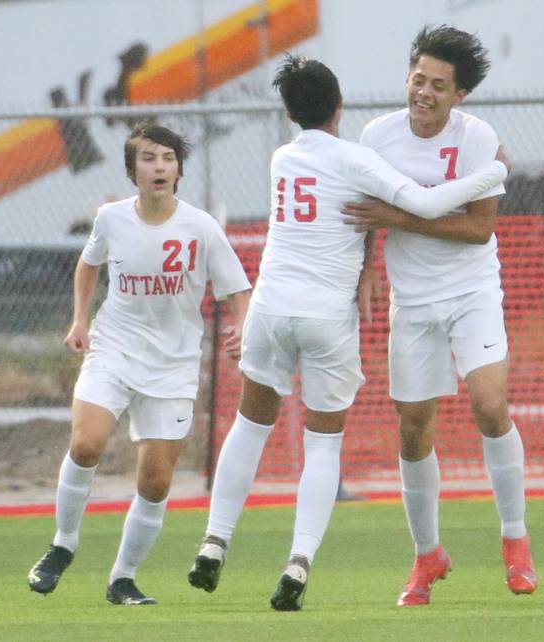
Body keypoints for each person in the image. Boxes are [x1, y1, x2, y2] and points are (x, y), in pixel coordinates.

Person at [187, 54, 510, 612]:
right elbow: (429, 204)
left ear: (289, 111)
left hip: (269, 307)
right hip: (324, 318)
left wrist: (366, 263)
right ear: (340, 105)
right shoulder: (358, 160)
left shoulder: (282, 158)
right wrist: (494, 174)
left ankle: (215, 541)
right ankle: (298, 560)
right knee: (322, 442)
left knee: (249, 423)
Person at [342, 25, 537, 606]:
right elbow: (360, 214)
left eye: (438, 85)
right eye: (417, 79)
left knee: (490, 406)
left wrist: (400, 219)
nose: (423, 92)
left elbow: (479, 230)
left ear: (460, 95)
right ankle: (427, 556)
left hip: (472, 292)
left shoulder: (478, 139)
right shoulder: (377, 136)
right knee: (411, 428)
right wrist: (366, 271)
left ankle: (515, 541)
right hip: (413, 302)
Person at [27, 122, 251, 605]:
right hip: (115, 348)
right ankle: (62, 544)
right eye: (149, 158)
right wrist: (80, 321)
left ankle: (122, 578)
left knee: (155, 480)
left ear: (179, 171)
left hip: (173, 365)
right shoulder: (111, 219)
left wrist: (242, 328)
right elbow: (88, 265)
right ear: (133, 171)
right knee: (86, 444)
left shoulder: (201, 226)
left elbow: (237, 288)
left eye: (168, 158)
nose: (160, 166)